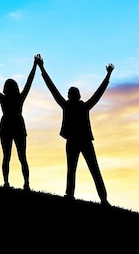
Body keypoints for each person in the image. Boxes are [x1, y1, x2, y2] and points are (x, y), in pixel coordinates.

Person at [37, 55, 114, 206]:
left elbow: (53, 89)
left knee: (78, 169)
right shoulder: (81, 106)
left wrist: (42, 68)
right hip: (80, 140)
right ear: (77, 96)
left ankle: (87, 196)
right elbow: (98, 94)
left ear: (73, 96)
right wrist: (108, 75)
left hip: (77, 140)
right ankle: (97, 198)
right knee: (86, 169)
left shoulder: (72, 105)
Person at [0, 55, 37, 190]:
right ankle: (25, 183)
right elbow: (29, 82)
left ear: (6, 88)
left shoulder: (5, 98)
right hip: (15, 125)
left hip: (9, 125)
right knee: (21, 156)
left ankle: (9, 182)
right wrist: (35, 65)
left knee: (8, 156)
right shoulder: (18, 98)